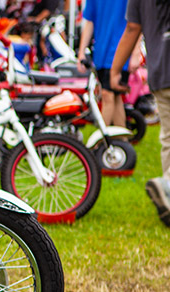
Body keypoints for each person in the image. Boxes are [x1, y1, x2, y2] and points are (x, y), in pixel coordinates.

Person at [110, 0, 170, 225]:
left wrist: (116, 70)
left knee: (168, 137)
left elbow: (132, 28)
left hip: (160, 73)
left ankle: (168, 189)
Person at [78, 0, 128, 127]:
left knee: (107, 94)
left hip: (120, 51)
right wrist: (81, 51)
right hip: (101, 52)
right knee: (115, 97)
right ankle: (121, 137)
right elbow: (89, 21)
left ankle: (102, 137)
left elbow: (136, 21)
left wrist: (136, 51)